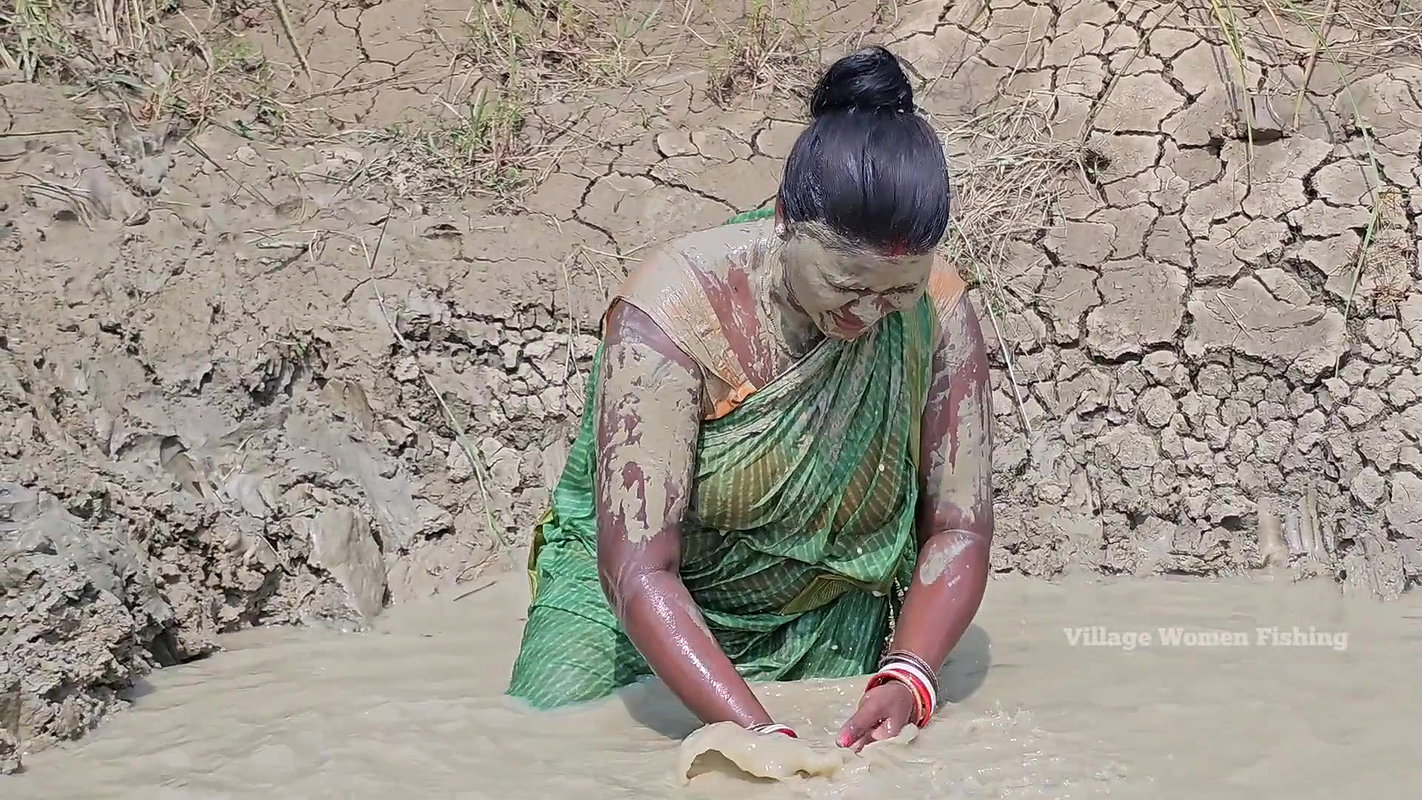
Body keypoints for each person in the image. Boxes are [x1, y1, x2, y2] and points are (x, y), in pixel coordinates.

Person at [505, 44, 994, 752]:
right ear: (785, 219)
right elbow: (638, 569)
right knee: (548, 746)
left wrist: (908, 676)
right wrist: (758, 736)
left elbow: (959, 530)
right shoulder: (676, 313)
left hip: (822, 616)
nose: (867, 314)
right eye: (844, 285)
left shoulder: (937, 310)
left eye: (896, 291)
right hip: (631, 612)